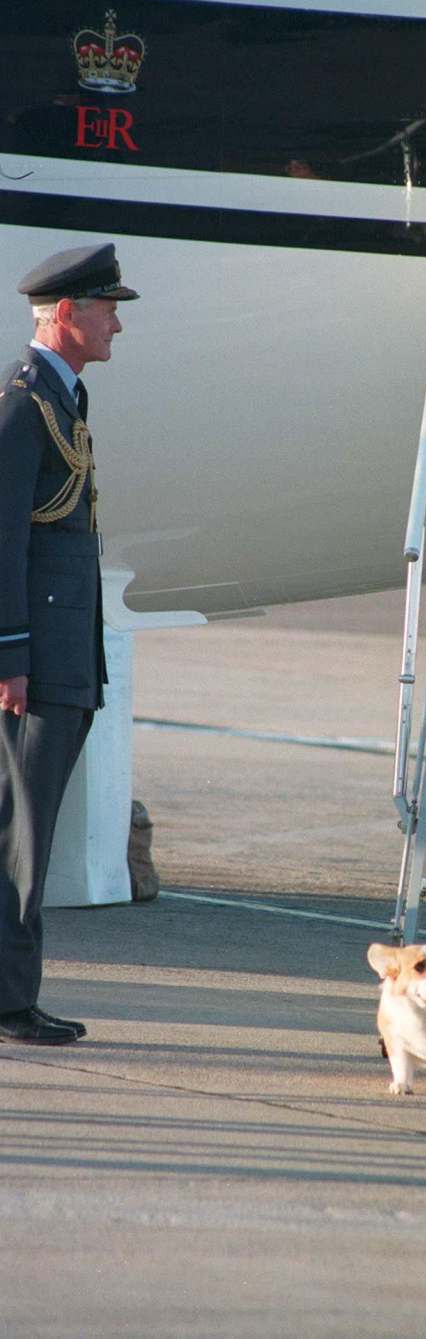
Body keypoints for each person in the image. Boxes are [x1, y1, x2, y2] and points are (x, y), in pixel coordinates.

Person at [0, 242, 138, 1045]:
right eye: (105, 307)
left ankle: (13, 991)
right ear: (65, 315)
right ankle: (12, 1001)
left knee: (25, 831)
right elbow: (4, 542)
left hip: (60, 658)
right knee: (21, 834)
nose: (116, 321)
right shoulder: (25, 404)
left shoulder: (63, 399)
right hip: (34, 667)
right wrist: (11, 657)